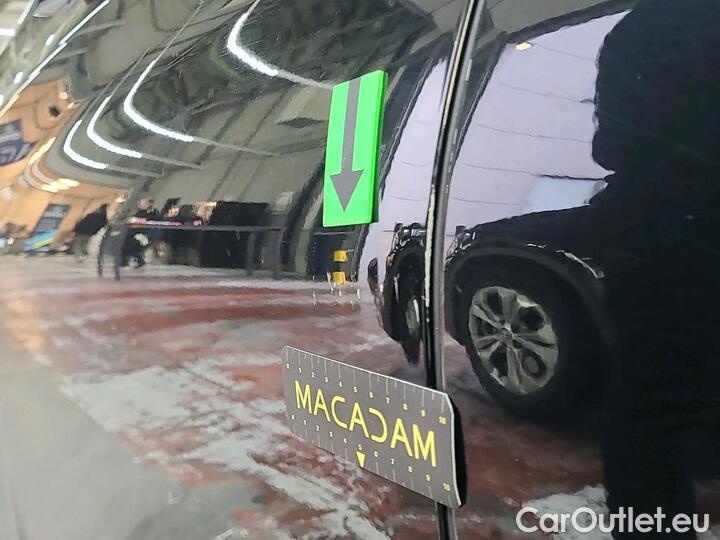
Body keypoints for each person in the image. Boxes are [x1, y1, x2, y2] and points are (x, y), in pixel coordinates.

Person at [590, 1, 720, 537]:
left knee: (649, 421)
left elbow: (609, 146)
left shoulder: (636, 31)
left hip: (663, 235)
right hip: (677, 231)